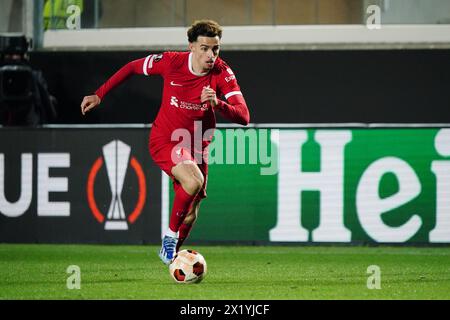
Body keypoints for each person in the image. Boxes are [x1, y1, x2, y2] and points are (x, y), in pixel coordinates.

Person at [80, 20, 250, 265]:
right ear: (191, 46)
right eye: (204, 48)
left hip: (197, 146)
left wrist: (218, 104)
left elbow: (244, 116)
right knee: (193, 181)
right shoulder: (171, 61)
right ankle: (169, 238)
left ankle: (172, 258)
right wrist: (99, 93)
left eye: (216, 49)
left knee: (190, 215)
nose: (211, 55)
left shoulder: (222, 73)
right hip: (166, 140)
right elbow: (131, 68)